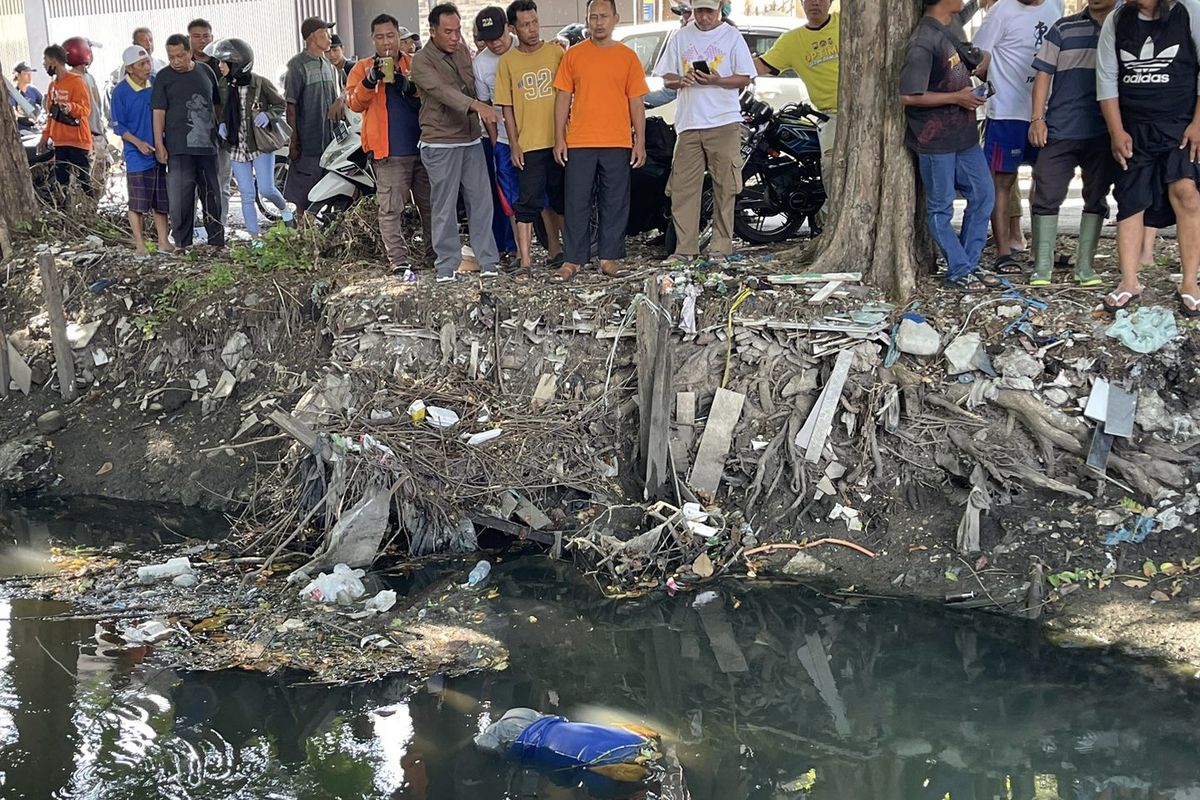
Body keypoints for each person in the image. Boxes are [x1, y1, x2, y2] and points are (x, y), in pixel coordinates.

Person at [1096, 0, 1200, 316]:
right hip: (1133, 128)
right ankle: (1129, 281)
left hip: (1180, 125)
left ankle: (1190, 283)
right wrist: (1116, 131)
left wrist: (1198, 123)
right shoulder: (1116, 20)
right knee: (1131, 200)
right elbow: (1106, 79)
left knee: (1187, 195)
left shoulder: (1190, 10)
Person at [900, 0, 995, 293]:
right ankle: (959, 269)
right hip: (935, 139)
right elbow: (908, 96)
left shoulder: (951, 20)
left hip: (964, 135)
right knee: (941, 209)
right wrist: (957, 98)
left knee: (983, 195)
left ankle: (968, 264)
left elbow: (967, 11)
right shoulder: (923, 41)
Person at [551, 0, 648, 282]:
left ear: (616, 19)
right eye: (593, 17)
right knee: (576, 201)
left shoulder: (627, 57)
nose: (598, 22)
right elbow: (562, 98)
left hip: (617, 140)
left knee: (615, 201)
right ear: (586, 20)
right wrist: (559, 137)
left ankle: (609, 257)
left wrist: (639, 140)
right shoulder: (574, 55)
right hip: (579, 140)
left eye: (604, 16)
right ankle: (573, 260)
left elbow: (637, 103)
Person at [654, 0, 753, 266]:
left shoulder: (731, 36)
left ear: (720, 8)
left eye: (709, 11)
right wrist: (681, 79)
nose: (704, 16)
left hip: (723, 121)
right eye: (699, 11)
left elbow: (745, 77)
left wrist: (717, 80)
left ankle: (721, 246)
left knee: (725, 185)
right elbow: (666, 77)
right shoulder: (681, 36)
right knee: (683, 187)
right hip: (688, 123)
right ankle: (685, 248)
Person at [1026, 0, 1117, 287]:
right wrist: (1037, 118)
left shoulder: (1125, 27)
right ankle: (1042, 267)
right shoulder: (1064, 27)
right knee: (1047, 192)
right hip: (1061, 127)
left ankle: (1085, 267)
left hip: (1104, 131)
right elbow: (1043, 75)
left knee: (1097, 195)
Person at [410, 2, 502, 282]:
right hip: (440, 143)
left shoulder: (462, 50)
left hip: (471, 139)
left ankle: (488, 261)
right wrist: (478, 107)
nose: (454, 37)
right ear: (433, 30)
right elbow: (443, 92)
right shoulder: (421, 61)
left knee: (482, 202)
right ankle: (446, 265)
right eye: (448, 31)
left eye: (458, 31)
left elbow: (472, 83)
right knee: (444, 206)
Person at [973, 0, 1063, 274]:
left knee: (1045, 179)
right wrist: (998, 85)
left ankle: (1041, 250)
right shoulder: (1002, 10)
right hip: (1007, 114)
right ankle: (1003, 252)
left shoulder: (1055, 6)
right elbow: (977, 58)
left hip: (1047, 111)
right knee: (1002, 181)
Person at [346, 13, 435, 275]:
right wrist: (370, 82)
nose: (386, 41)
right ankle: (399, 261)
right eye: (380, 36)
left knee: (430, 206)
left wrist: (407, 85)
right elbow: (353, 102)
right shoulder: (362, 68)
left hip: (423, 146)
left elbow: (429, 96)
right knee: (391, 209)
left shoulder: (414, 64)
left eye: (391, 35)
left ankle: (436, 255)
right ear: (373, 39)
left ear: (400, 37)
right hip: (388, 151)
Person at [496, 0, 566, 275]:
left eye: (535, 22)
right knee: (528, 203)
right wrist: (514, 143)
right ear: (513, 28)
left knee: (561, 200)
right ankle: (525, 262)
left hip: (559, 140)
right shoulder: (508, 62)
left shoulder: (556, 54)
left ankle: (560, 252)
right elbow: (507, 107)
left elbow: (568, 95)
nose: (532, 29)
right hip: (529, 144)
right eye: (525, 25)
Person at [209, 38, 288, 238]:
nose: (220, 66)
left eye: (223, 63)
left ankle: (286, 211)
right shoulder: (223, 85)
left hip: (259, 144)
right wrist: (223, 124)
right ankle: (255, 238)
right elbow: (222, 111)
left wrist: (268, 115)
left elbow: (280, 104)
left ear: (237, 64)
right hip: (236, 146)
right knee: (246, 195)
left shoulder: (260, 83)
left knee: (267, 189)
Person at [755, 0, 840, 185]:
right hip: (831, 115)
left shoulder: (846, 24)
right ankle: (830, 212)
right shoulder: (791, 40)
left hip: (867, 111)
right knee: (833, 168)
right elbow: (760, 66)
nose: (816, 3)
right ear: (802, 3)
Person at [152, 33, 224, 250]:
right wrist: (159, 144)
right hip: (178, 147)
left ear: (190, 52)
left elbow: (216, 104)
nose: (176, 61)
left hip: (208, 146)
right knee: (181, 200)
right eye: (171, 57)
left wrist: (220, 129)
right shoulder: (164, 77)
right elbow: (158, 113)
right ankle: (183, 244)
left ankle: (217, 242)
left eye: (180, 56)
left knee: (212, 195)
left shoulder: (206, 71)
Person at [111, 45, 171, 254]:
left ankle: (163, 242)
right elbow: (119, 126)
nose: (147, 67)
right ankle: (140, 244)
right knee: (137, 202)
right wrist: (138, 143)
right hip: (136, 155)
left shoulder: (154, 84)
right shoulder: (120, 92)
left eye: (148, 62)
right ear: (130, 68)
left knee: (160, 201)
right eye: (142, 64)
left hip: (158, 150)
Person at [284, 17, 342, 217]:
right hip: (307, 140)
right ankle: (302, 230)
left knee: (326, 188)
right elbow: (291, 105)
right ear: (311, 37)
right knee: (304, 190)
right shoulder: (296, 65)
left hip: (329, 140)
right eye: (324, 33)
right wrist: (293, 140)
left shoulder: (327, 64)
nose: (329, 38)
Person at [474, 6, 519, 259]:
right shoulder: (480, 64)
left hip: (534, 136)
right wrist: (494, 142)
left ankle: (553, 247)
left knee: (545, 195)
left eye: (499, 35)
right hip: (502, 138)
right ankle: (515, 250)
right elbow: (485, 107)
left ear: (508, 28)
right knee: (509, 197)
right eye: (489, 39)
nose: (496, 43)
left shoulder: (524, 50)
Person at [188, 18, 231, 222]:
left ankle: (219, 226)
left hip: (220, 135)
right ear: (189, 39)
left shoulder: (222, 65)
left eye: (206, 36)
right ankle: (193, 227)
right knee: (193, 184)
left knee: (221, 182)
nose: (202, 40)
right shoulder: (184, 67)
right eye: (196, 36)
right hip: (193, 136)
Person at [38, 43, 93, 195]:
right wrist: (45, 137)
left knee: (84, 181)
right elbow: (51, 116)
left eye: (45, 60)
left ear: (54, 62)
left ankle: (89, 211)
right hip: (60, 142)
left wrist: (70, 107)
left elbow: (85, 109)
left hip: (77, 140)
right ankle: (65, 212)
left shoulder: (76, 81)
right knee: (62, 183)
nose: (44, 64)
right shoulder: (52, 86)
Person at [62, 37, 108, 199]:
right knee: (90, 188)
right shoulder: (81, 79)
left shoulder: (70, 79)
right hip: (89, 139)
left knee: (81, 190)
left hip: (80, 140)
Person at [10, 63, 43, 129]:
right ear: (18, 75)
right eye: (26, 74)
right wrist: (24, 119)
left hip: (36, 127)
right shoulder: (12, 93)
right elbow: (13, 111)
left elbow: (43, 105)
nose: (29, 76)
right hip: (21, 130)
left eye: (30, 73)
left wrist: (41, 117)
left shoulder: (33, 90)